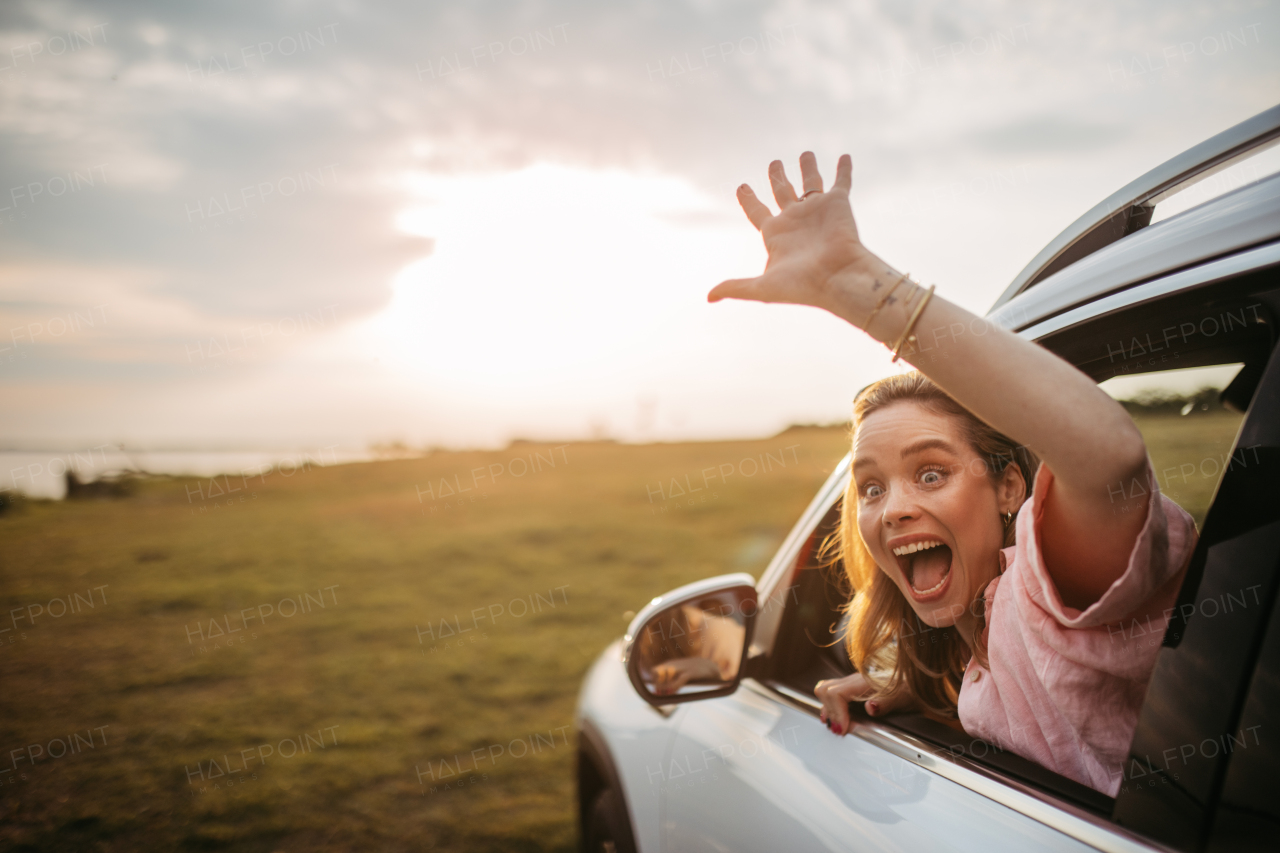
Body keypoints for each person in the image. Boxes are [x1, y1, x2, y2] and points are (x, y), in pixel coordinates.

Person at [707, 153, 1197, 796]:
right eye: (871, 487)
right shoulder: (973, 656)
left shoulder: (1039, 595)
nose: (893, 509)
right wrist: (910, 686)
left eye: (932, 474)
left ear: (1011, 490)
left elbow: (1112, 460)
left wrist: (860, 287)